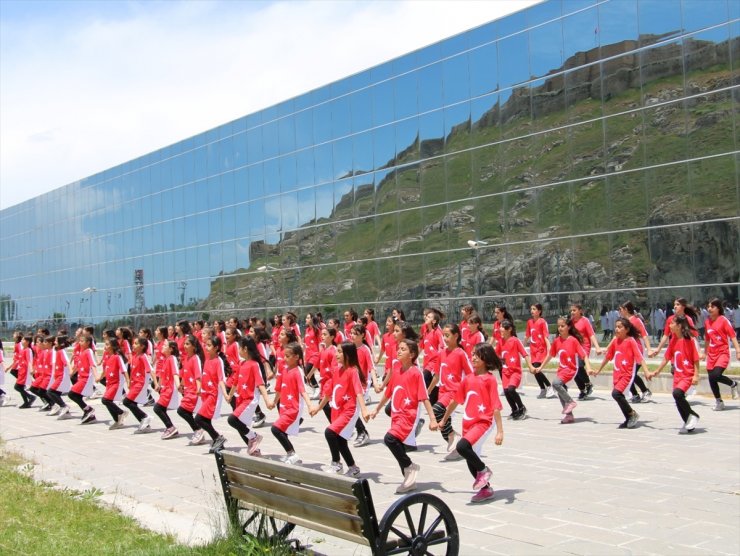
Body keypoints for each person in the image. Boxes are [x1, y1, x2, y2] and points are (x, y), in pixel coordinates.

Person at [368, 339, 438, 494]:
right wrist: (377, 410)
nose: (398, 351)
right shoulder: (396, 368)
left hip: (408, 416)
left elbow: (424, 397)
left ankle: (410, 466)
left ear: (412, 354)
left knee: (390, 439)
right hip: (396, 414)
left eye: (403, 349)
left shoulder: (415, 372)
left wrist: (433, 419)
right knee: (397, 444)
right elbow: (389, 392)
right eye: (398, 348)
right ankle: (409, 480)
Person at [440, 343, 504, 504]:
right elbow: (455, 401)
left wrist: (500, 431)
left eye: (477, 355)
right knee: (469, 458)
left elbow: (496, 406)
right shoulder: (468, 379)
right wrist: (443, 419)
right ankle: (486, 489)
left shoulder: (490, 380)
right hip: (468, 422)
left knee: (462, 447)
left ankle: (484, 470)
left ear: (486, 359)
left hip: (483, 422)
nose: (473, 357)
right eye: (473, 354)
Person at [310, 342, 367, 476]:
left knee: (329, 433)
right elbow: (328, 392)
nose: (337, 354)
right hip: (337, 409)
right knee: (340, 440)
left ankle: (336, 464)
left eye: (340, 352)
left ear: (348, 354)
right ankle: (353, 468)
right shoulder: (337, 370)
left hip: (349, 410)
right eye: (337, 351)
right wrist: (318, 408)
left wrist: (364, 410)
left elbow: (359, 392)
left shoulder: (353, 371)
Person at [590, 318, 649, 429]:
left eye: (619, 327)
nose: (616, 329)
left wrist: (646, 371)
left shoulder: (631, 341)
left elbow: (639, 358)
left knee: (616, 394)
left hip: (627, 374)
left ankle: (632, 414)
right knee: (618, 395)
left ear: (627, 329)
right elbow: (608, 357)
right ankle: (628, 417)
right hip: (617, 374)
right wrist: (598, 370)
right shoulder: (616, 341)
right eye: (616, 326)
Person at [647, 315, 701, 434]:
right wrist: (657, 371)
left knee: (678, 393)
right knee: (677, 397)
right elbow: (666, 358)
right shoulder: (673, 340)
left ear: (679, 326)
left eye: (672, 323)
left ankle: (693, 415)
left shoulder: (689, 340)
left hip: (687, 374)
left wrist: (696, 375)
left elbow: (696, 359)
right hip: (677, 375)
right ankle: (688, 422)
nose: (669, 325)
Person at [428, 323, 472, 460]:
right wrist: (428, 391)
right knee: (443, 423)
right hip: (442, 390)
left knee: (436, 411)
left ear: (456, 336)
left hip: (454, 391)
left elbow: (471, 374)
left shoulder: (460, 353)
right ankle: (457, 448)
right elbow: (436, 375)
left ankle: (453, 435)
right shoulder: (441, 353)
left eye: (447, 336)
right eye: (443, 336)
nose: (445, 339)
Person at [538, 317, 593, 424]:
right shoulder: (557, 341)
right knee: (560, 391)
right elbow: (550, 355)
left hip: (571, 368)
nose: (560, 328)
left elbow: (584, 355)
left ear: (569, 327)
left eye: (562, 326)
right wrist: (541, 367)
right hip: (561, 369)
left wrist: (589, 368)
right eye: (558, 326)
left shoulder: (573, 340)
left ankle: (570, 402)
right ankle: (569, 416)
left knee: (555, 383)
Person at [267, 342, 314, 465]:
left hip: (293, 408)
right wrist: (274, 402)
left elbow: (303, 391)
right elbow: (279, 389)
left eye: (288, 356)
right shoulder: (284, 369)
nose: (284, 358)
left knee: (275, 429)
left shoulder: (298, 371)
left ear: (297, 357)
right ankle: (291, 456)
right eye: (284, 356)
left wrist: (310, 406)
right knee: (282, 431)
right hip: (283, 407)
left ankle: (292, 454)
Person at [227, 336, 271, 455]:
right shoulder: (242, 363)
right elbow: (236, 382)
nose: (238, 350)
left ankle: (254, 437)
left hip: (249, 399)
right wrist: (229, 395)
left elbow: (261, 384)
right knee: (240, 425)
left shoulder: (254, 364)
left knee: (232, 420)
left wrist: (267, 401)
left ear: (245, 349)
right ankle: (254, 450)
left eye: (240, 348)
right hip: (240, 399)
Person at [701, 298, 739, 410]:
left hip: (722, 352)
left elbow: (732, 336)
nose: (709, 309)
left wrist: (738, 351)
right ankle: (719, 402)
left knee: (716, 375)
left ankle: (733, 384)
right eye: (708, 306)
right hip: (711, 354)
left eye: (712, 307)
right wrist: (705, 353)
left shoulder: (723, 320)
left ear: (718, 308)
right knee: (711, 378)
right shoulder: (707, 321)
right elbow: (707, 339)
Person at [196, 336, 230, 453]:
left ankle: (217, 438)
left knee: (199, 419)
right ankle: (218, 443)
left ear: (216, 348)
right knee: (206, 420)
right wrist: (200, 388)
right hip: (205, 394)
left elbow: (221, 379)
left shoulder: (218, 361)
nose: (206, 347)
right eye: (206, 344)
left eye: (209, 345)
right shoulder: (207, 359)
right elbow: (204, 375)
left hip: (212, 394)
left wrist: (225, 394)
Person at [497, 320, 534, 420]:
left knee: (511, 389)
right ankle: (514, 410)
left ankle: (521, 408)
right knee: (506, 391)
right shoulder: (500, 341)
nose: (500, 329)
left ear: (509, 329)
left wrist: (530, 366)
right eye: (500, 326)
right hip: (505, 372)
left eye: (502, 327)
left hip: (515, 371)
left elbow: (525, 354)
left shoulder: (515, 340)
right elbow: (497, 355)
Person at [619, 301, 654, 403]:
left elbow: (644, 335)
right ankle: (635, 394)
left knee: (631, 373)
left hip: (636, 350)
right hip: (626, 351)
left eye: (621, 309)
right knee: (626, 373)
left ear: (626, 309)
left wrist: (649, 349)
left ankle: (645, 391)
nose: (619, 311)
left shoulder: (636, 320)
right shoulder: (622, 322)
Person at [569, 304, 602, 400]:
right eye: (571, 311)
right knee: (573, 370)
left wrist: (597, 347)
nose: (572, 312)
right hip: (573, 348)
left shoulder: (585, 321)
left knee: (579, 366)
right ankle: (582, 390)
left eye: (574, 310)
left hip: (584, 347)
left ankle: (588, 384)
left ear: (580, 311)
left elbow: (591, 334)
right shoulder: (570, 322)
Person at [178, 335, 206, 445]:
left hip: (194, 390)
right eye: (184, 344)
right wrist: (181, 385)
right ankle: (198, 430)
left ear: (194, 347)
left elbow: (198, 375)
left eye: (187, 344)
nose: (185, 346)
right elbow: (185, 374)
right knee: (185, 411)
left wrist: (199, 389)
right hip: (187, 389)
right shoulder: (186, 358)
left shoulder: (195, 358)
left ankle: (198, 430)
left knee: (182, 410)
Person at [123, 337, 154, 433]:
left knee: (127, 402)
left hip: (140, 384)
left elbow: (150, 370)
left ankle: (145, 417)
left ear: (142, 346)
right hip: (134, 383)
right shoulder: (135, 356)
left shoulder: (143, 356)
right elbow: (132, 371)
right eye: (133, 343)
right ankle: (145, 425)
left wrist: (156, 383)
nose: (133, 345)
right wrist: (129, 382)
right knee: (132, 403)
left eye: (136, 343)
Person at [152, 340, 181, 439]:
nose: (162, 347)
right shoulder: (166, 358)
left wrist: (178, 385)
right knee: (161, 408)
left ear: (171, 349)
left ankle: (171, 427)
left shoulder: (172, 358)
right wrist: (158, 385)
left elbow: (175, 373)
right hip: (165, 388)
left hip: (170, 389)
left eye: (165, 345)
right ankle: (170, 427)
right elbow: (162, 374)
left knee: (157, 408)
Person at [525, 304, 554, 399]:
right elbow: (527, 335)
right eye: (531, 309)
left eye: (534, 309)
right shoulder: (529, 322)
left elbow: (546, 336)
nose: (532, 311)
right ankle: (542, 389)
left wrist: (549, 347)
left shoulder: (542, 322)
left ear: (539, 311)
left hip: (541, 349)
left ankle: (549, 386)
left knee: (537, 368)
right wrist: (522, 344)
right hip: (533, 350)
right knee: (533, 370)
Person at [100, 338, 129, 430]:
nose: (106, 347)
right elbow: (105, 370)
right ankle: (117, 421)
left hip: (116, 383)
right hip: (109, 383)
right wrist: (99, 378)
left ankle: (121, 412)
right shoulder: (109, 357)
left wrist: (128, 381)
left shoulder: (117, 357)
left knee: (105, 400)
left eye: (108, 344)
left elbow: (124, 370)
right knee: (108, 401)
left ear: (113, 346)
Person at [68, 334, 97, 422]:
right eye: (79, 341)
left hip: (86, 378)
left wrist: (96, 377)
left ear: (88, 342)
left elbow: (93, 364)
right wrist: (71, 373)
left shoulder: (89, 351)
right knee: (77, 396)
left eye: (82, 341)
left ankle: (88, 409)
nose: (80, 343)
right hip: (80, 377)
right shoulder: (82, 351)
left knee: (71, 394)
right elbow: (77, 365)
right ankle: (89, 414)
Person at [420, 308, 444, 405]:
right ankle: (437, 404)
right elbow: (421, 346)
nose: (426, 317)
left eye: (429, 317)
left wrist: (440, 359)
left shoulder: (437, 332)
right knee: (433, 391)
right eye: (426, 316)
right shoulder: (426, 332)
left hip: (433, 363)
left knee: (423, 379)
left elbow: (442, 346)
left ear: (434, 321)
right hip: (426, 363)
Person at [47, 335, 72, 417]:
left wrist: (71, 370)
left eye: (56, 341)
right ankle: (66, 413)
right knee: (55, 393)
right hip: (58, 376)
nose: (54, 342)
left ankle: (64, 406)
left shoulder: (62, 351)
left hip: (62, 377)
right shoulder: (58, 351)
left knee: (50, 391)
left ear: (61, 343)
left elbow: (67, 362)